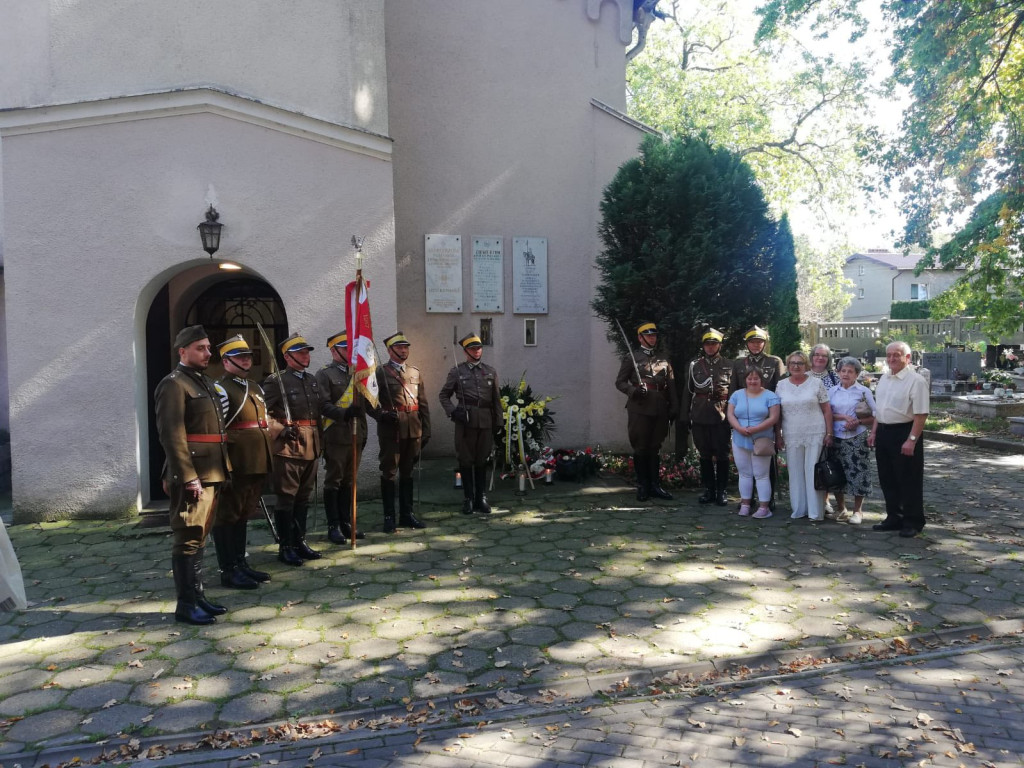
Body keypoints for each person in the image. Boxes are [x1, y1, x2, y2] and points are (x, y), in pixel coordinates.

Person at [154, 325, 231, 625]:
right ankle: (185, 605)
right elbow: (171, 435)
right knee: (187, 537)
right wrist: (187, 476)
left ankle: (197, 596)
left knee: (200, 536)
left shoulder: (204, 382)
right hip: (194, 474)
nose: (208, 353)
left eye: (208, 347)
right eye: (201, 348)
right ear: (182, 351)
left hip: (212, 471)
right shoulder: (174, 384)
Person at [213, 334, 274, 590]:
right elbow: (217, 430)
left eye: (248, 356)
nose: (246, 360)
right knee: (227, 516)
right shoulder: (221, 389)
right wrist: (222, 466)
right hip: (236, 463)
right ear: (226, 362)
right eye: (239, 357)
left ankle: (241, 563)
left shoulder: (256, 388)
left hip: (256, 462)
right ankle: (228, 569)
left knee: (243, 516)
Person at [264, 333, 323, 566]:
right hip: (290, 446)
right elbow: (264, 414)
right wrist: (279, 429)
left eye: (307, 352)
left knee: (303, 498)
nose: (306, 356)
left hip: (312, 444)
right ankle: (285, 546)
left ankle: (300, 542)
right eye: (300, 353)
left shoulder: (311, 381)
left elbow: (316, 415)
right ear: (287, 357)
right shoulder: (275, 381)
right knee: (286, 498)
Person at [868, 341, 929, 538]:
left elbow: (921, 415)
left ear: (907, 358)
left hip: (905, 432)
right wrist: (874, 432)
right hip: (884, 432)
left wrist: (912, 439)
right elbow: (879, 410)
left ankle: (913, 521)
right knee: (888, 478)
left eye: (897, 354)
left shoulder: (916, 381)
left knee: (908, 479)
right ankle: (894, 516)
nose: (892, 358)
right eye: (889, 355)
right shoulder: (885, 378)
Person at [439, 332, 502, 515]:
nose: (477, 351)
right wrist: (453, 411)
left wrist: (499, 421)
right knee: (466, 460)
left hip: (486, 421)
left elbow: (496, 399)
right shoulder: (457, 371)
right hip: (465, 421)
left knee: (482, 460)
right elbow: (444, 395)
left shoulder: (490, 371)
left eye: (479, 348)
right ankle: (468, 498)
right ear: (466, 351)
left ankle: (480, 498)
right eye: (473, 349)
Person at [614, 322, 678, 501]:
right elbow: (619, 382)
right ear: (640, 338)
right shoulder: (631, 358)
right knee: (641, 447)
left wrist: (674, 407)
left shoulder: (664, 359)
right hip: (640, 407)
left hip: (659, 408)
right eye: (648, 335)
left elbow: (671, 385)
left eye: (654, 335)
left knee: (655, 447)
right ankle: (642, 486)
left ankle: (655, 486)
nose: (652, 338)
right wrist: (634, 391)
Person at [373, 332, 430, 533]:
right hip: (392, 429)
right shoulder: (380, 372)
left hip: (413, 428)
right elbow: (367, 400)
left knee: (407, 472)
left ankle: (407, 514)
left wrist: (427, 428)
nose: (404, 350)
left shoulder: (414, 372)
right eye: (399, 347)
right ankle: (389, 516)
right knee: (389, 472)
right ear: (390, 351)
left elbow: (422, 403)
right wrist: (380, 415)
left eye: (406, 347)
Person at [316, 332, 367, 544]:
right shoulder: (325, 375)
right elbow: (322, 405)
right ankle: (333, 525)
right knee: (334, 480)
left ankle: (347, 523)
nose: (349, 353)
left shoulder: (357, 373)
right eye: (344, 349)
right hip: (336, 436)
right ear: (333, 351)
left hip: (356, 435)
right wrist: (344, 413)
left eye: (350, 349)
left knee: (349, 481)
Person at [730, 326, 785, 509]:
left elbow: (780, 390)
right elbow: (734, 391)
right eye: (752, 342)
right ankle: (748, 499)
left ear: (764, 343)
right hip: (744, 419)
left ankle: (767, 500)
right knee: (746, 467)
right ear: (747, 343)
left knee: (765, 460)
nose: (755, 345)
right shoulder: (738, 364)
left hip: (766, 418)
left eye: (759, 341)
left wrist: (778, 429)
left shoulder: (774, 361)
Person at [776, 350, 834, 522]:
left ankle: (815, 511)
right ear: (787, 366)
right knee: (795, 471)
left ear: (806, 366)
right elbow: (778, 413)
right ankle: (799, 509)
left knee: (812, 470)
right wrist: (777, 435)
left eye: (799, 363)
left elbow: (827, 410)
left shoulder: (816, 383)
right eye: (792, 363)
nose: (795, 366)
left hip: (815, 432)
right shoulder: (781, 385)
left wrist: (829, 433)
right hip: (791, 433)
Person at [680, 328, 733, 506]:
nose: (710, 347)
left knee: (722, 453)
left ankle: (722, 491)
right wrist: (684, 416)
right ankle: (709, 490)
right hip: (700, 414)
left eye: (714, 344)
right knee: (704, 454)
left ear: (720, 345)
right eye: (707, 344)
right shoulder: (694, 365)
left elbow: (735, 393)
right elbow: (688, 392)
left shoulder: (729, 364)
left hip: (722, 414)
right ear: (703, 346)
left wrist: (734, 415)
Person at [827, 356, 876, 525]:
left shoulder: (864, 391)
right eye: (843, 371)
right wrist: (842, 416)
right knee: (837, 473)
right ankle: (841, 508)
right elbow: (825, 414)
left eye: (850, 371)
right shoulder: (832, 391)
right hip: (836, 437)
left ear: (857, 374)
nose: (846, 374)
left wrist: (859, 422)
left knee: (858, 472)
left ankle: (858, 511)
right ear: (838, 373)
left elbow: (876, 416)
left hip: (857, 437)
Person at [727, 368, 781, 519]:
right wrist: (738, 428)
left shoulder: (770, 396)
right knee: (744, 474)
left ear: (761, 380)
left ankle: (764, 507)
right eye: (749, 378)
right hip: (740, 438)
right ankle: (745, 504)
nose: (752, 381)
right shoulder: (737, 395)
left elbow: (774, 418)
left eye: (756, 378)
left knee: (761, 475)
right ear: (745, 380)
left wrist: (756, 429)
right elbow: (730, 414)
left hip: (761, 440)